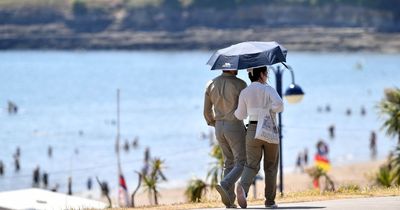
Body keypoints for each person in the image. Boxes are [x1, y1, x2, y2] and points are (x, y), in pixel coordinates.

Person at [234, 66, 283, 209]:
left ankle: (243, 187)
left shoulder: (244, 92)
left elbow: (240, 115)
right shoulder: (268, 89)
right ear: (261, 74)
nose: (267, 76)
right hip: (268, 127)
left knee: (251, 165)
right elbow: (280, 105)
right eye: (266, 73)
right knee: (271, 166)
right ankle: (270, 201)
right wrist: (268, 111)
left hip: (253, 129)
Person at [204, 69, 247, 208]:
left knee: (228, 162)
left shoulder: (211, 83)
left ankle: (229, 200)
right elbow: (244, 109)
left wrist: (213, 123)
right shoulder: (240, 84)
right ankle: (225, 184)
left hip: (219, 127)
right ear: (233, 67)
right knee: (242, 162)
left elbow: (206, 111)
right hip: (234, 125)